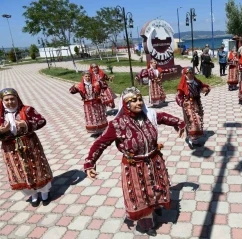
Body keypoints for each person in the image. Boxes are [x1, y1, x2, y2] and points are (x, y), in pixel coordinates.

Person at [84, 87, 185, 237]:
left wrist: (179, 123)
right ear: (125, 104)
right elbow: (100, 143)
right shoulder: (117, 124)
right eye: (134, 100)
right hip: (135, 166)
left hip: (153, 160)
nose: (139, 103)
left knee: (156, 188)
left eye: (140, 99)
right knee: (141, 195)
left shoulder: (148, 115)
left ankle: (156, 208)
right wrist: (89, 163)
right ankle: (146, 224)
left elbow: (163, 117)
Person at [0, 88, 53, 206]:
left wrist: (26, 123)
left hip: (29, 144)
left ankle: (45, 192)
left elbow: (42, 121)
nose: (10, 102)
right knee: (20, 172)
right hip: (10, 148)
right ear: (2, 101)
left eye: (12, 99)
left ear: (17, 98)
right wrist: (2, 131)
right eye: (6, 100)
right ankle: (33, 194)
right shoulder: (0, 115)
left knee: (37, 167)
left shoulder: (27, 110)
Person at [176, 67, 210, 149]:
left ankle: (195, 139)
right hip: (188, 104)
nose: (191, 74)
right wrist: (183, 103)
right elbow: (178, 96)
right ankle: (191, 140)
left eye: (192, 73)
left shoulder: (196, 82)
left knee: (198, 119)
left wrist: (205, 89)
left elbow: (202, 87)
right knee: (191, 121)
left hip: (197, 103)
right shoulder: (183, 84)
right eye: (189, 73)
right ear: (185, 74)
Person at [69, 71, 108, 135]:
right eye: (86, 76)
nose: (87, 78)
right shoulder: (80, 85)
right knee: (91, 117)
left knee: (99, 115)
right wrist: (74, 86)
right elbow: (71, 91)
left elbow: (105, 86)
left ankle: (102, 129)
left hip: (97, 102)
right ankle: (95, 131)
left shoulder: (96, 83)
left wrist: (100, 90)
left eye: (89, 76)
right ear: (83, 77)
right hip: (88, 104)